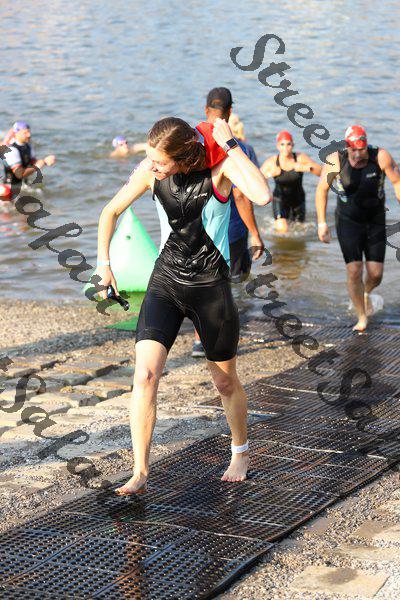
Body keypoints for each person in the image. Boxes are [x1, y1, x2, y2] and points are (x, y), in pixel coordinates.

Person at [95, 116, 270, 494]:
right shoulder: (150, 172)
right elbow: (110, 212)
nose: (152, 165)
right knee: (145, 376)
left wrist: (231, 145)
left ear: (181, 158)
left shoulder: (220, 171)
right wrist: (104, 264)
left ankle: (240, 451)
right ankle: (140, 471)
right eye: (150, 158)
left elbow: (262, 195)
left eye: (160, 161)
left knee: (224, 381)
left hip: (210, 289)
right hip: (166, 284)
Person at [192, 88, 270, 357]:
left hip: (195, 227)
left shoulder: (191, 142)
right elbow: (242, 195)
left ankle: (199, 338)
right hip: (232, 229)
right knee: (230, 283)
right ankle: (221, 333)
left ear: (206, 110)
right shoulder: (239, 148)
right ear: (230, 111)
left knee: (201, 282)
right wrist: (255, 233)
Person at [316, 125, 400, 332]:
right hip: (348, 221)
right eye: (352, 150)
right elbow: (321, 190)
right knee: (354, 270)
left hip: (375, 220)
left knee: (376, 274)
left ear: (366, 146)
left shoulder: (380, 156)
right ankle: (362, 317)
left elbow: (397, 182)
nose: (356, 154)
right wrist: (322, 223)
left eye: (360, 150)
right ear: (347, 147)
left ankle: (365, 292)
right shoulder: (336, 160)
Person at [261, 130, 321, 233]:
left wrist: (308, 168)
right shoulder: (272, 162)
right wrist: (268, 175)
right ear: (278, 146)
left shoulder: (300, 158)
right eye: (282, 144)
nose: (285, 147)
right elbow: (256, 180)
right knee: (283, 228)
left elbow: (322, 172)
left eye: (288, 144)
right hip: (279, 199)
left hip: (298, 199)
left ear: (293, 145)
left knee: (299, 230)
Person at [2, 122, 56, 192]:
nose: (29, 135)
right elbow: (19, 174)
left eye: (29, 132)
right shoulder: (12, 150)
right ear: (17, 133)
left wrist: (45, 161)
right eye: (25, 133)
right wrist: (38, 166)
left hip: (24, 185)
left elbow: (33, 162)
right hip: (10, 187)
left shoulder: (28, 146)